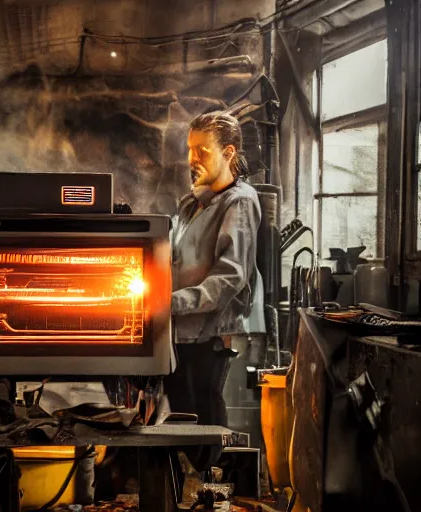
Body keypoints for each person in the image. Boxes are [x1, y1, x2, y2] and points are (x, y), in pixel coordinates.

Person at [164, 111, 265, 470]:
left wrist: (172, 302)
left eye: (203, 150)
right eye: (190, 150)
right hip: (179, 329)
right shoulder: (191, 203)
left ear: (229, 152)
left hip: (210, 334)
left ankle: (208, 488)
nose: (192, 159)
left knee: (203, 418)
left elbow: (230, 276)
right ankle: (190, 489)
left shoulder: (239, 202)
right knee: (181, 414)